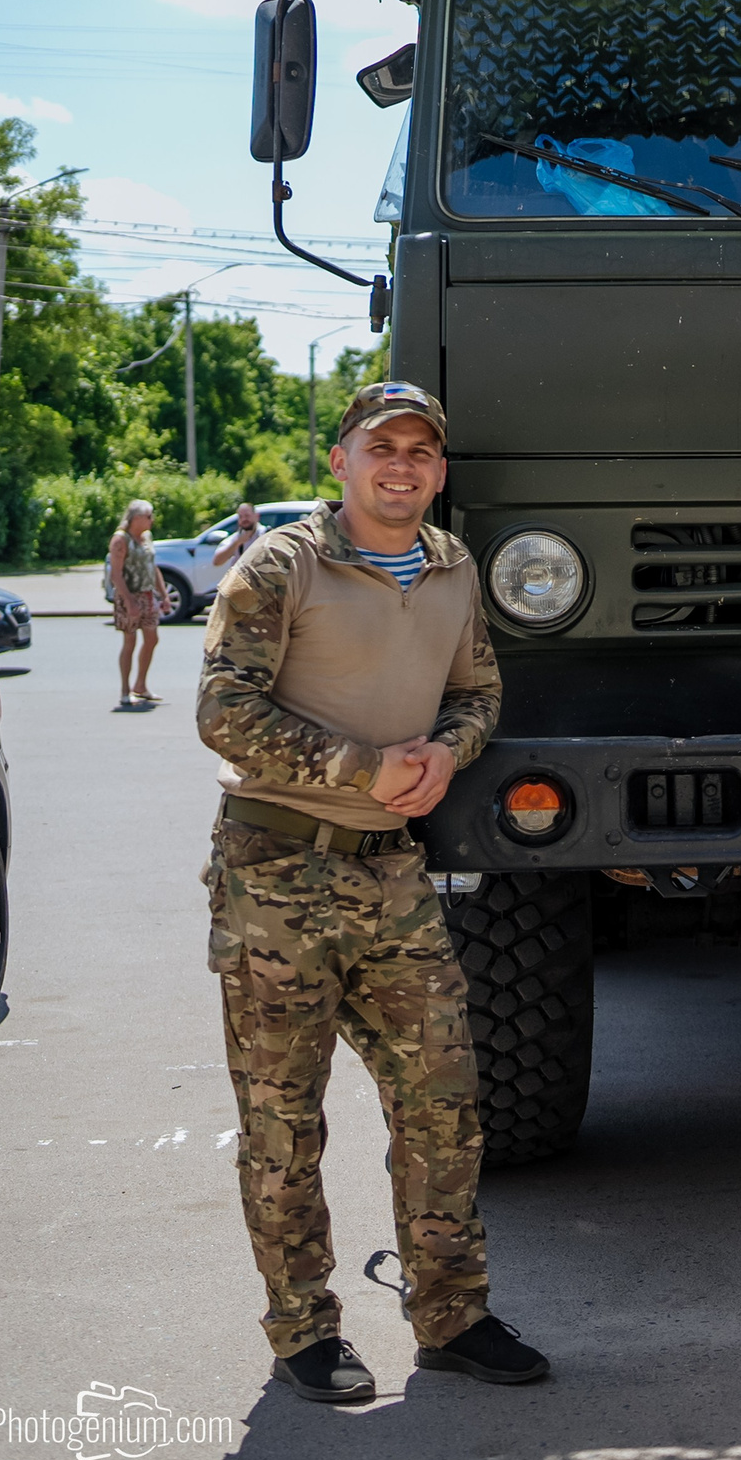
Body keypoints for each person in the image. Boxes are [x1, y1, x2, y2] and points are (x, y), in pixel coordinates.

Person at [196, 380, 548, 1403]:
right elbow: (223, 710)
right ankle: (303, 1331)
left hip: (392, 870)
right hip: (276, 870)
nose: (402, 466)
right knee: (282, 1119)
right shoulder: (283, 566)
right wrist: (360, 768)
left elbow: (479, 689)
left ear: (439, 470)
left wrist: (445, 752)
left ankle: (452, 1314)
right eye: (381, 446)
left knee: (443, 1102)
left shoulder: (449, 568)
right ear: (342, 460)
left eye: (421, 452)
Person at [108, 498, 174, 709]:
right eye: (148, 516)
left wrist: (164, 595)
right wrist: (129, 602)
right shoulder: (120, 540)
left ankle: (141, 685)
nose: (152, 520)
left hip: (147, 595)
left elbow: (153, 567)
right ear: (135, 518)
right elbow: (115, 575)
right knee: (130, 642)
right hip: (129, 596)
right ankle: (125, 691)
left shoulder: (146, 537)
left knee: (152, 638)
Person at [211, 501, 264, 576]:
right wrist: (237, 543)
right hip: (241, 582)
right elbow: (217, 562)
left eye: (247, 515)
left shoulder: (266, 534)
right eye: (240, 517)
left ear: (257, 516)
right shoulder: (235, 538)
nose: (244, 519)